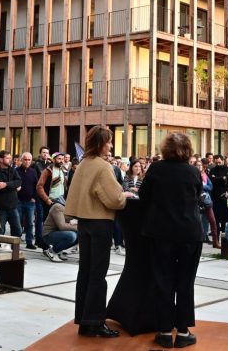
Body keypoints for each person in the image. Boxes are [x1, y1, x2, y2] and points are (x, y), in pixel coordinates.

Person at [65, 126, 134, 338]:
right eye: (109, 142)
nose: (111, 146)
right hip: (100, 223)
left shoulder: (83, 164)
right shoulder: (102, 167)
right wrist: (127, 195)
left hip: (84, 223)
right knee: (98, 274)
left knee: (85, 272)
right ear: (100, 143)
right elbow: (114, 198)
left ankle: (84, 321)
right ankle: (95, 322)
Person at [139, 132, 202, 349]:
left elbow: (143, 196)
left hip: (162, 233)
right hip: (189, 233)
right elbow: (198, 195)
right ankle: (183, 332)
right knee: (185, 282)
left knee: (163, 280)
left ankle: (165, 331)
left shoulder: (156, 169)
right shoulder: (194, 171)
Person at [0, 150, 22, 246]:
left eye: (10, 158)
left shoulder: (13, 170)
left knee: (17, 230)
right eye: (7, 158)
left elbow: (19, 182)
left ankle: (15, 252)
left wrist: (6, 184)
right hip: (0, 207)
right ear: (1, 159)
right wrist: (12, 186)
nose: (10, 160)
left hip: (13, 206)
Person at [15, 152, 41, 250]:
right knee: (17, 223)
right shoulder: (16, 171)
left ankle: (29, 242)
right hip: (18, 201)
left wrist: (34, 197)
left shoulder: (33, 171)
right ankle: (16, 242)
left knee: (30, 223)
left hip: (30, 202)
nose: (27, 161)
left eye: (29, 159)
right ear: (21, 160)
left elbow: (37, 186)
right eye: (25, 159)